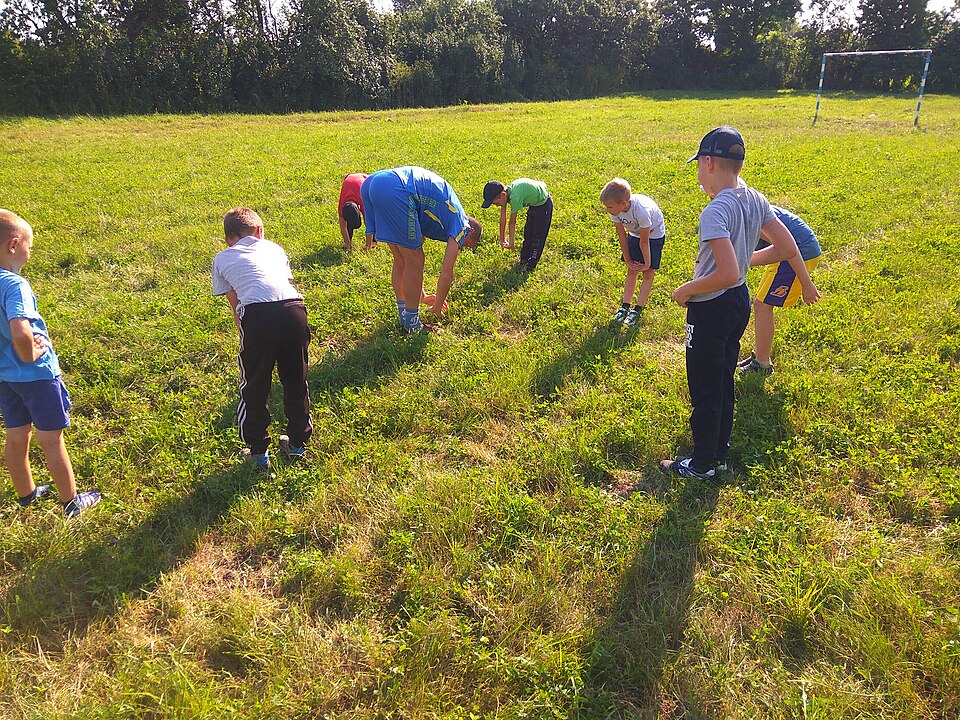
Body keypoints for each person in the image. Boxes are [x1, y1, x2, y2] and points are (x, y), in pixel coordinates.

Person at [660, 127, 804, 481]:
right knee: (723, 378)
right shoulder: (755, 197)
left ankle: (702, 464)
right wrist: (744, 263)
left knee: (705, 385)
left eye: (698, 165)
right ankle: (718, 453)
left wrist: (686, 289)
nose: (698, 172)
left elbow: (723, 273)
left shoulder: (714, 211)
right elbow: (786, 248)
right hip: (738, 300)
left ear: (708, 162)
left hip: (711, 305)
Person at [0, 209, 101, 518]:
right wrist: (29, 353)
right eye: (30, 244)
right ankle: (71, 503)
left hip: (5, 378)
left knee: (16, 436)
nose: (31, 250)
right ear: (14, 245)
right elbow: (20, 330)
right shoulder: (15, 285)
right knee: (51, 440)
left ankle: (27, 495)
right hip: (37, 376)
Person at [212, 207, 312, 469]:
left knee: (254, 384)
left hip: (257, 316)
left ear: (228, 239)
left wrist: (247, 337)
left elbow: (236, 306)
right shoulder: (275, 249)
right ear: (260, 232)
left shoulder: (222, 258)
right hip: (295, 310)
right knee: (295, 379)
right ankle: (298, 445)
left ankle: (258, 453)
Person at [360, 166, 482, 334]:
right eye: (466, 245)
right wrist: (437, 307)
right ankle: (412, 323)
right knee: (416, 259)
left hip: (373, 183)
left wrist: (422, 296)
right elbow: (447, 274)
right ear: (471, 232)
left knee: (402, 259)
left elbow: (414, 242)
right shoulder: (461, 224)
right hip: (397, 188)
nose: (462, 247)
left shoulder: (439, 216)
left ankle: (405, 314)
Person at [738, 205, 821, 375]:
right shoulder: (748, 207)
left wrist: (806, 283)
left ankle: (762, 364)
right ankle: (760, 357)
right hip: (790, 253)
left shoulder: (752, 215)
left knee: (762, 305)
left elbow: (790, 249)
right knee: (760, 303)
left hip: (800, 255)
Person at [599, 178, 666, 326]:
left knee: (648, 273)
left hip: (653, 235)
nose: (607, 210)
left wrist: (647, 264)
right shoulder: (615, 209)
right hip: (634, 233)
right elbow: (622, 236)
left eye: (609, 207)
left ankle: (637, 309)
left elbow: (644, 242)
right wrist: (628, 260)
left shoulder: (641, 211)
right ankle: (625, 307)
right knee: (632, 270)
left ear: (623, 203)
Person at [481, 178, 552, 271]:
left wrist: (511, 243)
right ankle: (523, 260)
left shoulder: (515, 196)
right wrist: (502, 239)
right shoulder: (505, 195)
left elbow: (512, 222)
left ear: (503, 195)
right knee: (528, 233)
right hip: (534, 205)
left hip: (544, 205)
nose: (497, 205)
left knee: (538, 237)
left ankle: (531, 265)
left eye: (496, 203)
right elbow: (503, 219)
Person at [338, 172, 369, 252]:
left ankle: (373, 242)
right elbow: (343, 227)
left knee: (373, 217)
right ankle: (348, 241)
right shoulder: (341, 207)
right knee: (349, 223)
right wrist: (348, 245)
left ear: (359, 208)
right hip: (349, 177)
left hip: (366, 179)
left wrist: (367, 248)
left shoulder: (363, 200)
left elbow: (369, 225)